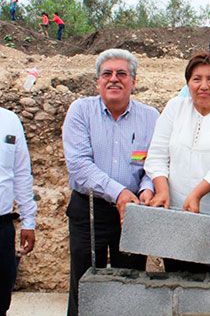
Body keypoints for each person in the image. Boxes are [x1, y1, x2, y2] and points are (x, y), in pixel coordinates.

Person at [62, 48, 159, 316]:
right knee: (84, 281)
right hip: (89, 210)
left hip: (133, 211)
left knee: (129, 281)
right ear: (98, 81)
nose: (113, 79)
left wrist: (147, 189)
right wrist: (119, 194)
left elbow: (155, 163)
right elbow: (80, 166)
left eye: (121, 74)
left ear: (134, 81)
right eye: (107, 74)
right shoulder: (81, 111)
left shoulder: (150, 116)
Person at [144, 53, 210, 274]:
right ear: (188, 82)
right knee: (176, 285)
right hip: (176, 218)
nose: (204, 86)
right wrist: (161, 190)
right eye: (197, 79)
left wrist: (197, 194)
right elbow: (157, 155)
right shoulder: (175, 108)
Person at [0, 107, 36, 316]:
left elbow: (21, 174)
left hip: (2, 227)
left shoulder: (9, 120)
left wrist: (28, 221)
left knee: (2, 295)